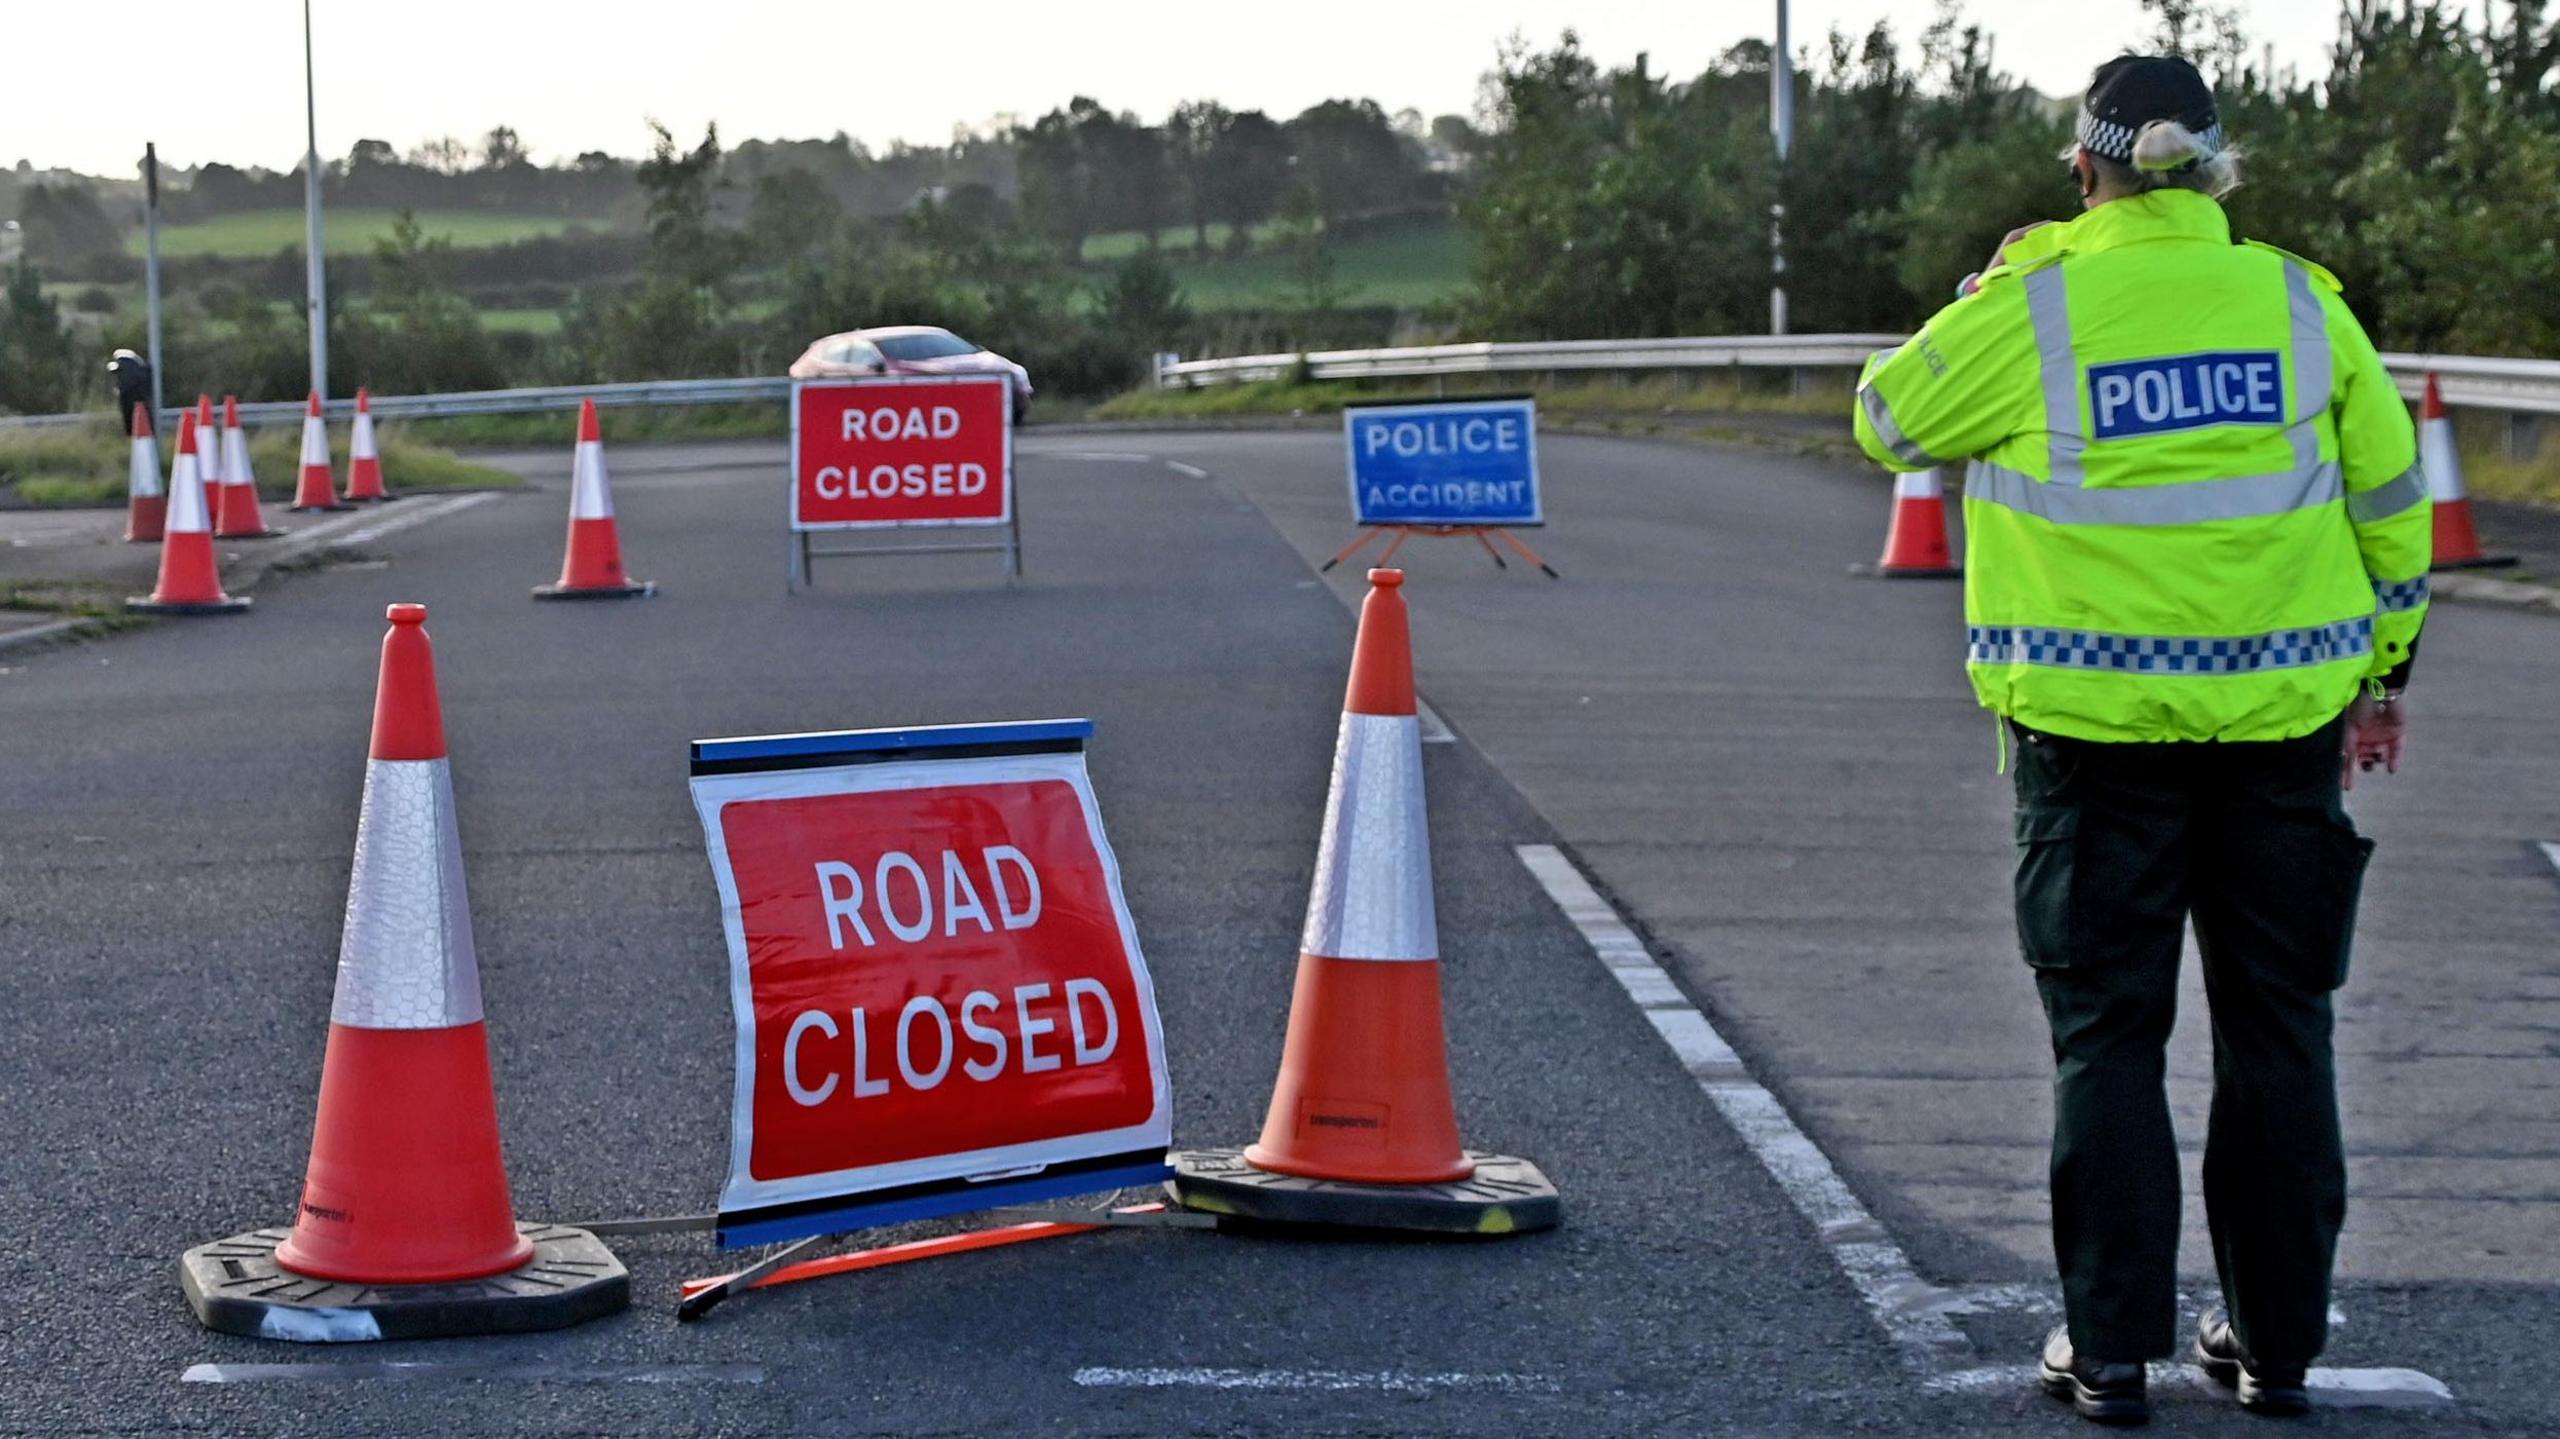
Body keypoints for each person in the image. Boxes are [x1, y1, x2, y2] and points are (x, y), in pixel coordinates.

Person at [1851, 54, 2431, 1426]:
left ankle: (2110, 1352)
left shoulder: (2040, 300)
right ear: (2218, 166)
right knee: (2282, 1030)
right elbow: (2391, 501)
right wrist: (2384, 672)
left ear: (2084, 166)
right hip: (2287, 725)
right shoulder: (2299, 303)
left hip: (2093, 737)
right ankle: (2277, 1348)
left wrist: (1989, 284)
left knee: (2108, 1037)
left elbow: (1888, 415)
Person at [106, 349, 153, 433]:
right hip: (142, 398)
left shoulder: (122, 366)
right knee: (145, 418)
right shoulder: (140, 367)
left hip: (128, 398)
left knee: (130, 420)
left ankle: (130, 432)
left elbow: (112, 369)